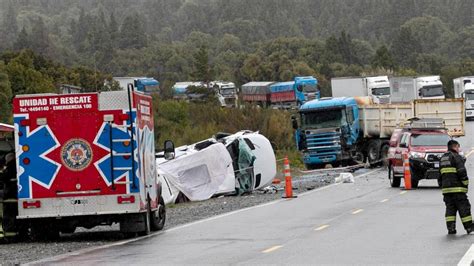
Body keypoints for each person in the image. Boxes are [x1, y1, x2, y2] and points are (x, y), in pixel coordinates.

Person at [439, 140, 474, 235]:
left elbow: (440, 175)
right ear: (455, 147)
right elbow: (462, 172)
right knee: (464, 208)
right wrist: (465, 184)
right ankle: (469, 228)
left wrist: (442, 186)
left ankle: (451, 228)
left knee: (450, 209)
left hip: (446, 191)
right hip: (458, 190)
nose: (459, 149)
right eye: (458, 147)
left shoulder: (442, 158)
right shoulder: (456, 157)